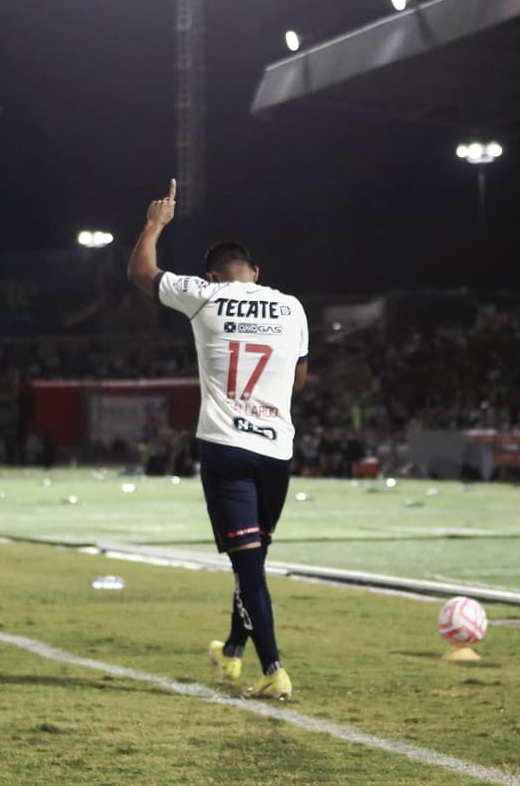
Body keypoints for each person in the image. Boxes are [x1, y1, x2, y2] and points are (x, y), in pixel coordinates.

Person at [128, 179, 307, 701]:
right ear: (255, 272)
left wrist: (156, 223)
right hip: (277, 450)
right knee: (252, 560)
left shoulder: (205, 296)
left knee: (246, 564)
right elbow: (298, 381)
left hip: (227, 449)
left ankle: (273, 669)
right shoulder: (291, 307)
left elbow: (140, 272)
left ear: (214, 275)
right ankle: (232, 652)